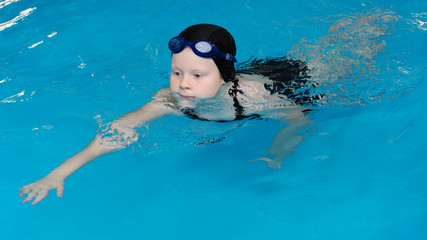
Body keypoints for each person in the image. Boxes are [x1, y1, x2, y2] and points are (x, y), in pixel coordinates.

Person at [19, 24, 315, 205]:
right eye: (177, 72)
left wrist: (278, 152)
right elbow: (116, 129)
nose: (184, 83)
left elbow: (298, 119)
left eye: (197, 75)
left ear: (225, 76)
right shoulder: (169, 100)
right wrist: (56, 175)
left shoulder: (251, 98)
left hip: (292, 79)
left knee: (326, 65)